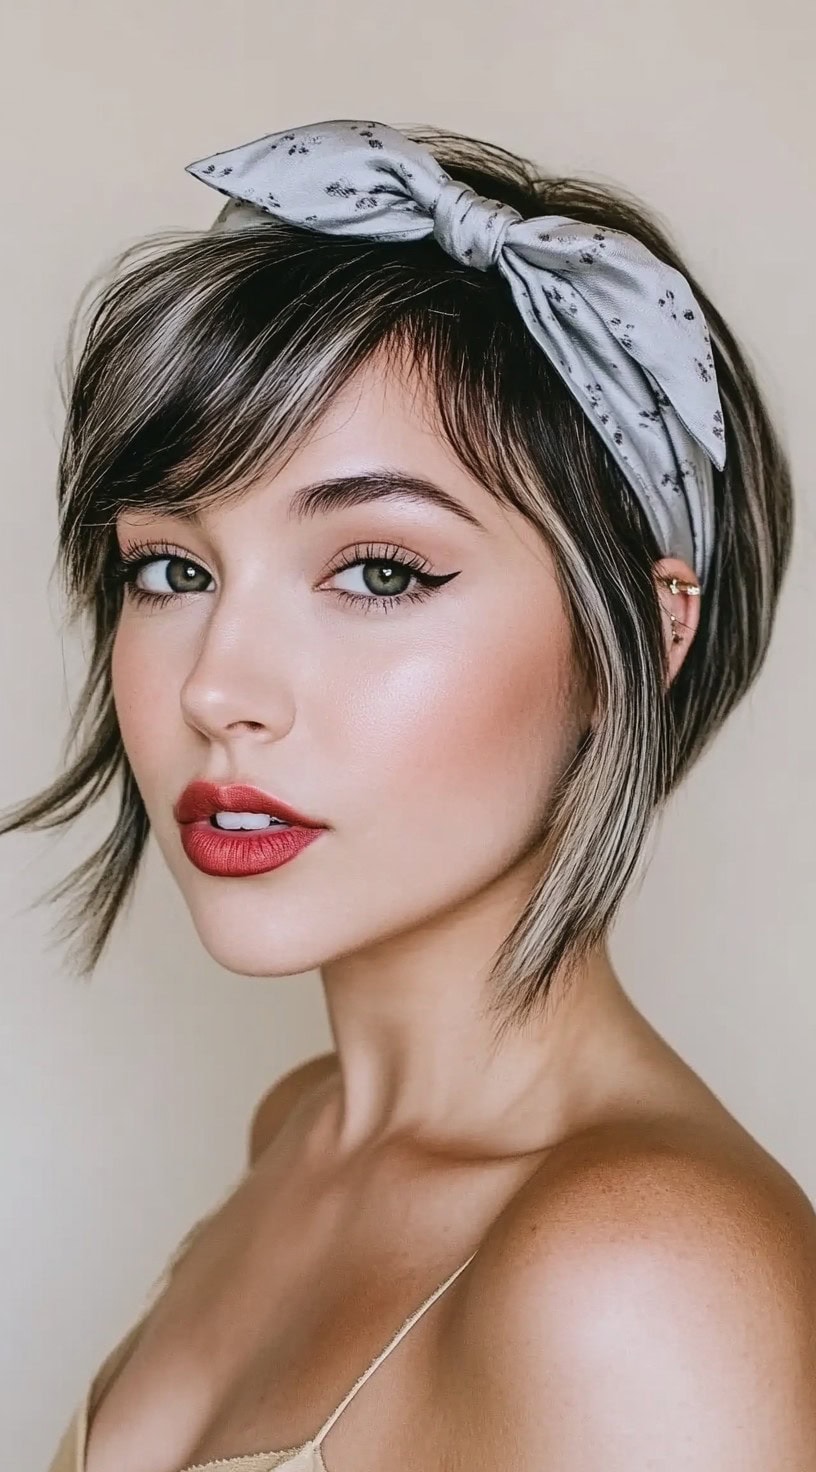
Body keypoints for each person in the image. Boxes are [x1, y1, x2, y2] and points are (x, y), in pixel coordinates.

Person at [5, 117, 815, 1471]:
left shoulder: (645, 1280)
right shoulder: (301, 1131)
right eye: (171, 570)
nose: (218, 688)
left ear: (642, 641)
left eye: (380, 571)